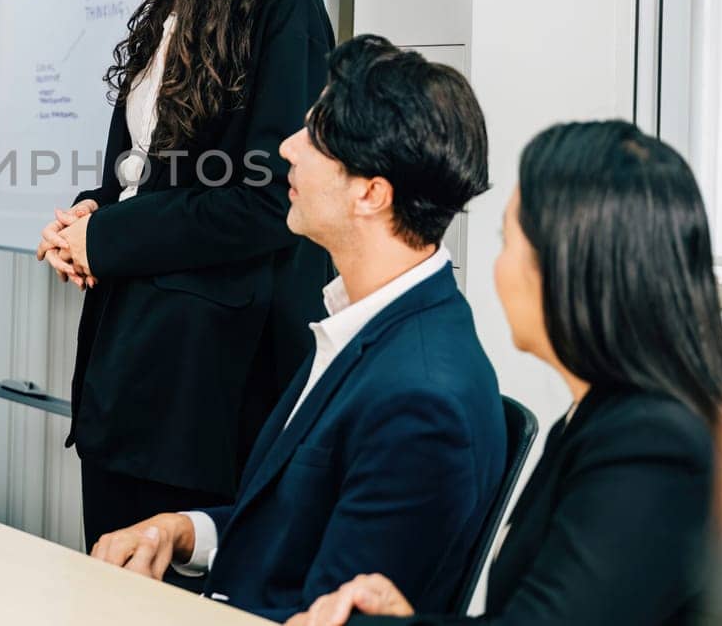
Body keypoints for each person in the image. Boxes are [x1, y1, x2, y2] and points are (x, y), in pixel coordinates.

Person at [90, 34, 504, 622]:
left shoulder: (420, 400)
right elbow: (288, 526)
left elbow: (333, 611)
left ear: (370, 194)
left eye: (315, 136)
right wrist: (183, 530)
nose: (286, 147)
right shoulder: (365, 324)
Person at [34, 0, 336, 550]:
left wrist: (109, 240)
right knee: (107, 573)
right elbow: (140, 171)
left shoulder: (285, 8)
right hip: (129, 357)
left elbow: (267, 200)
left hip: (205, 383)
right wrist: (91, 213)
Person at [294, 120, 722, 626]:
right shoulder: (603, 418)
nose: (498, 268)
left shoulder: (651, 443)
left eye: (509, 240)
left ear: (570, 265)